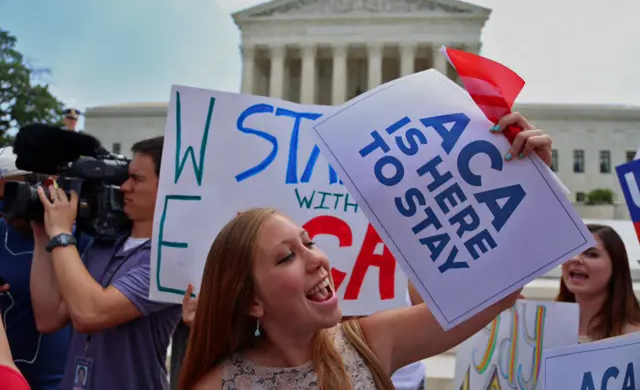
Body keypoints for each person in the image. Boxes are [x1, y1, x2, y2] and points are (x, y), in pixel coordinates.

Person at [178, 113, 553, 389]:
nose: (318, 258)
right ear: (251, 302)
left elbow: (499, 294)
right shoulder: (217, 385)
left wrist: (532, 183)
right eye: (286, 256)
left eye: (309, 242)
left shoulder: (369, 341)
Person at [29, 136, 182, 390]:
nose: (124, 187)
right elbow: (48, 318)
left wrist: (62, 235)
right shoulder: (102, 246)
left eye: (137, 179)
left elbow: (90, 313)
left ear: (169, 187)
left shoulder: (169, 258)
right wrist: (42, 237)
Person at [0, 148, 86, 390]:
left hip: (59, 381)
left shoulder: (78, 236)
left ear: (48, 184)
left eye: (12, 194)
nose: (5, 207)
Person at [556, 223, 640, 342]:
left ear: (616, 267)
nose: (575, 259)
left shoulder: (633, 338)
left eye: (591, 254)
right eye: (571, 252)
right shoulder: (543, 325)